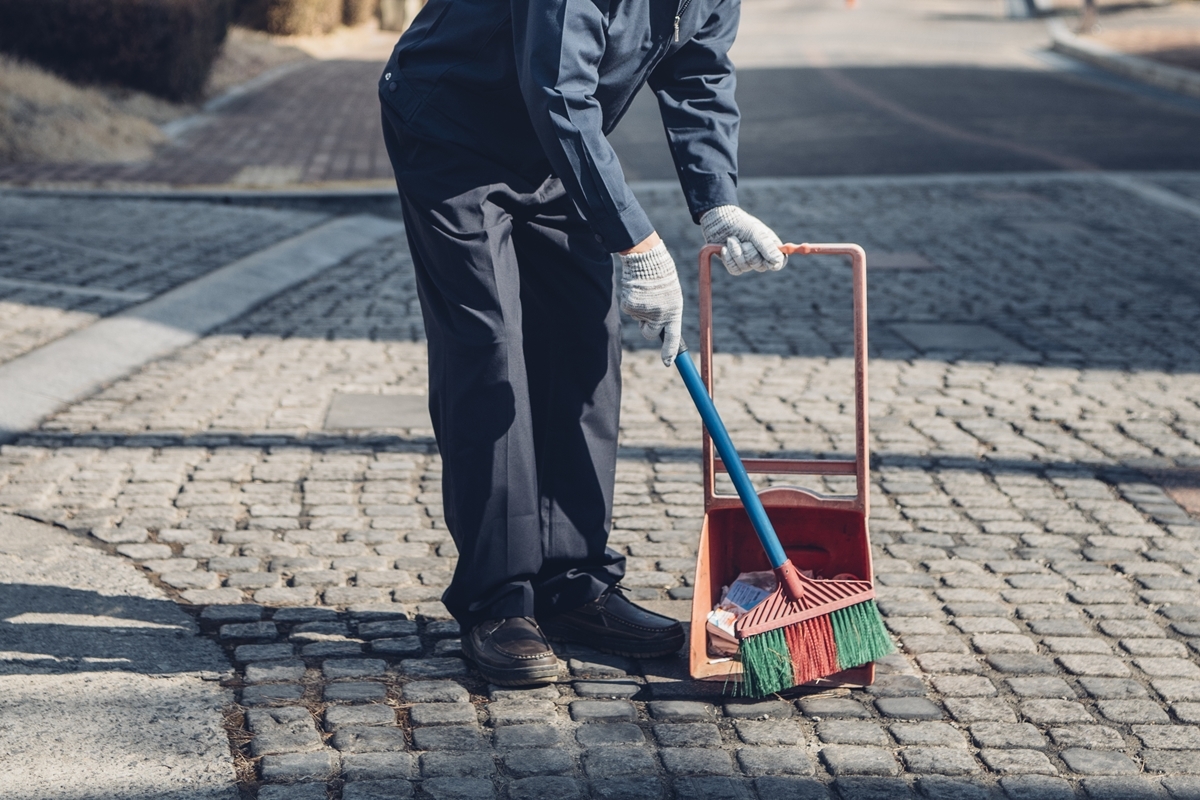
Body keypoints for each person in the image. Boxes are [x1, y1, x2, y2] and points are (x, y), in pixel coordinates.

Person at [379, 0, 788, 686]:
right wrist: (638, 243)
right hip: (452, 129)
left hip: (553, 145)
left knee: (584, 346)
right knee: (489, 354)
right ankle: (500, 601)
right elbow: (560, 88)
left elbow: (699, 67)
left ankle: (574, 586)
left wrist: (717, 198)